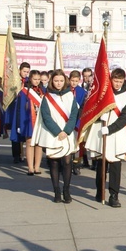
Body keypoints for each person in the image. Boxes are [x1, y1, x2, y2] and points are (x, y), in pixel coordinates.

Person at [84, 68, 126, 207]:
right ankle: (100, 192)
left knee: (116, 165)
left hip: (116, 133)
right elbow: (91, 110)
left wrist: (110, 128)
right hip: (101, 131)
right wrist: (100, 117)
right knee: (101, 165)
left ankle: (113, 195)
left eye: (120, 81)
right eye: (115, 81)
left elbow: (125, 117)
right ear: (111, 80)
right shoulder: (103, 93)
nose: (117, 84)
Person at [35, 69, 80, 203]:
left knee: (67, 162)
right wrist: (57, 131)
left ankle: (66, 189)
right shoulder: (47, 97)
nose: (58, 83)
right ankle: (56, 191)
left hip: (67, 134)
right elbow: (46, 116)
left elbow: (74, 115)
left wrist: (66, 131)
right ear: (51, 81)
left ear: (64, 81)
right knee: (54, 163)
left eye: (61, 81)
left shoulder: (70, 96)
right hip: (53, 134)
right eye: (56, 81)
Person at [12, 70, 44, 175]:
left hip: (40, 121)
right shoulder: (24, 91)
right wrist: (20, 124)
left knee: (39, 144)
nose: (37, 81)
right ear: (30, 79)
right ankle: (30, 167)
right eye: (35, 79)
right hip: (28, 120)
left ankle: (37, 167)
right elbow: (20, 109)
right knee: (29, 142)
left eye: (39, 79)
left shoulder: (43, 91)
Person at [6, 62, 30, 164]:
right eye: (24, 71)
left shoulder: (29, 82)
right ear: (20, 70)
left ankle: (24, 154)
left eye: (27, 72)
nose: (26, 73)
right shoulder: (14, 81)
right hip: (15, 109)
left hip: (25, 109)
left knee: (26, 133)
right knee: (15, 132)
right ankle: (16, 155)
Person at [68, 70, 87, 175]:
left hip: (78, 120)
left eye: (76, 81)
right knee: (68, 142)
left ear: (79, 80)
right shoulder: (66, 90)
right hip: (67, 119)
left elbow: (84, 105)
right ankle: (67, 163)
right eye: (72, 80)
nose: (74, 83)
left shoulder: (82, 92)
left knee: (78, 143)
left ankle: (76, 165)